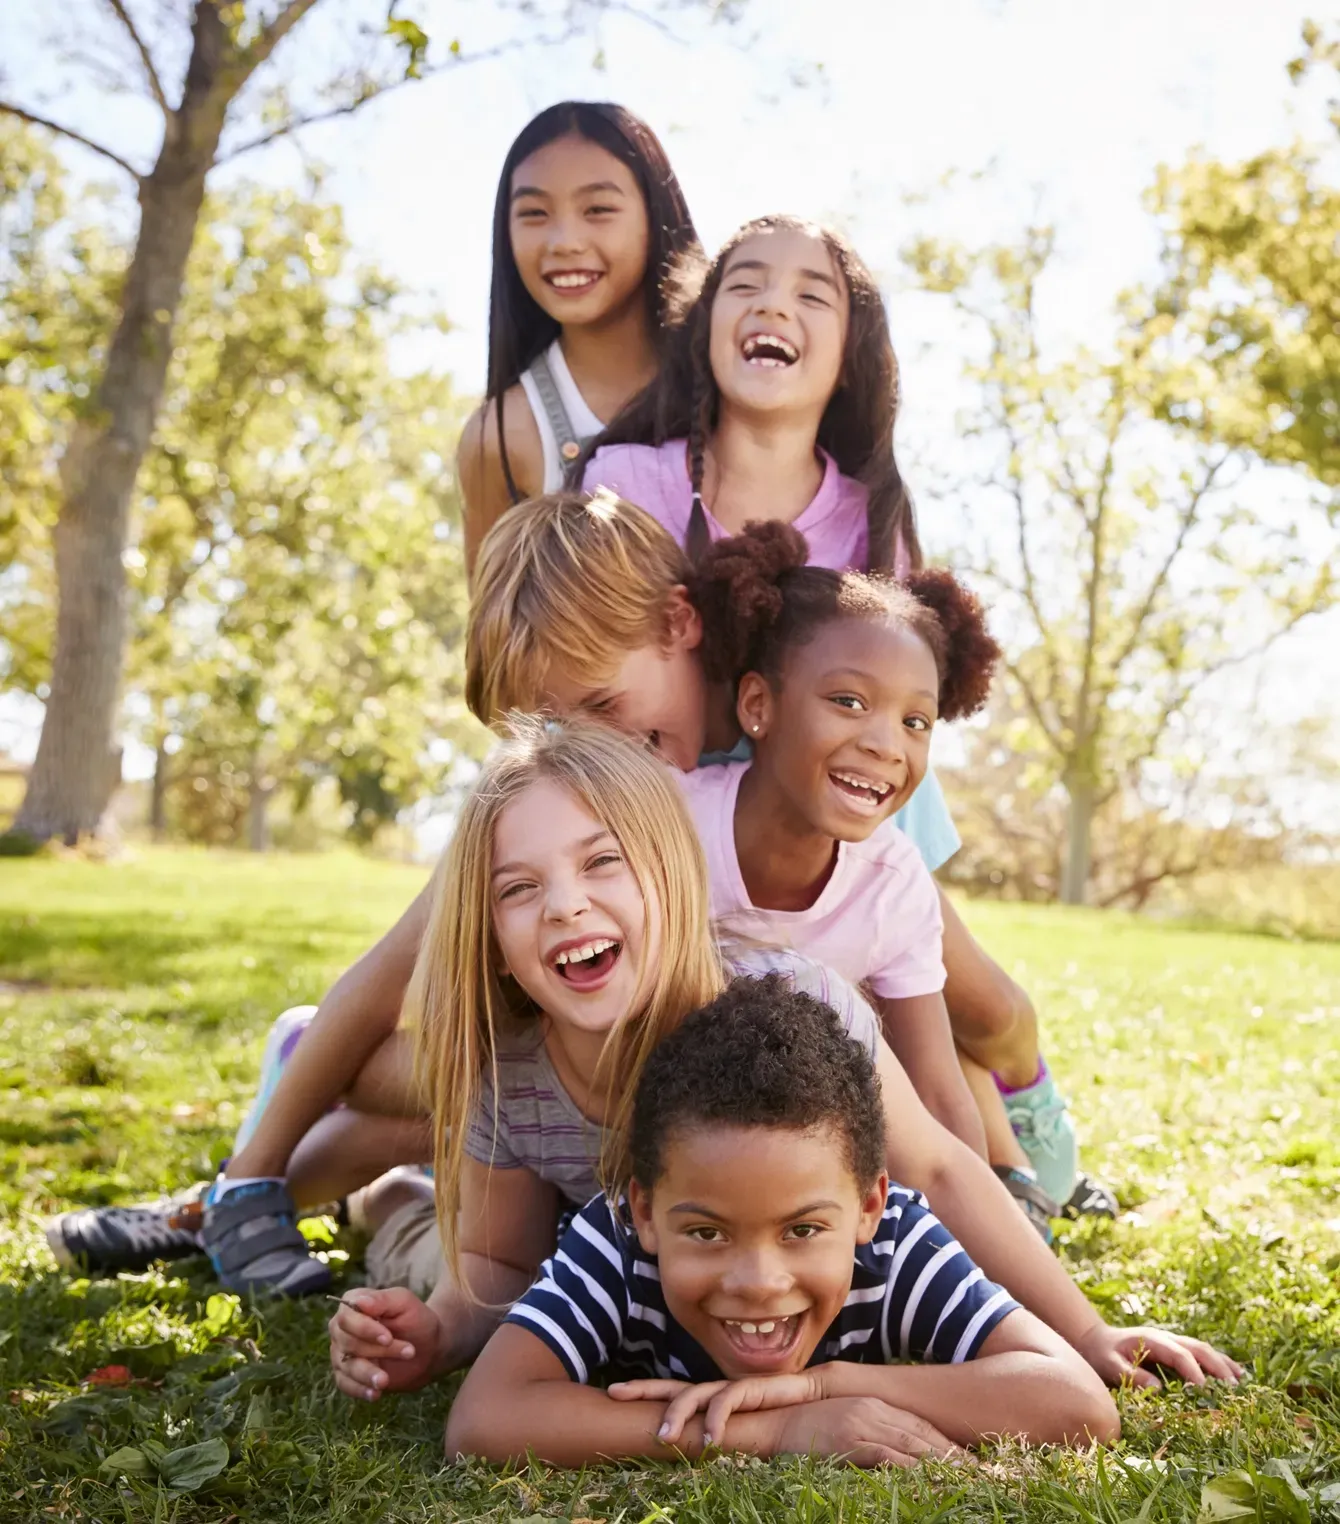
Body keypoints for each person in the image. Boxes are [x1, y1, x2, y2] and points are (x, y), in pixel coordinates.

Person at [468, 490, 1079, 1217]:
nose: (589, 742)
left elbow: (931, 1065)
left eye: (600, 707)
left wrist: (976, 1223)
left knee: (987, 1016)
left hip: (857, 1016)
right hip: (724, 1089)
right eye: (558, 726)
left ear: (680, 626)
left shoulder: (876, 830)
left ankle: (1026, 1155)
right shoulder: (653, 811)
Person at [325, 716, 902, 1396]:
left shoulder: (798, 1011)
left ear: (672, 875)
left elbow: (941, 1172)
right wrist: (437, 1334)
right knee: (427, 1244)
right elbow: (498, 1263)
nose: (565, 906)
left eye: (602, 861)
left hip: (667, 1259)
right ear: (496, 945)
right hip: (566, 1252)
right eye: (518, 888)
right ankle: (384, 1197)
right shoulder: (510, 1071)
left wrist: (1031, 1316)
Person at [445, 976, 1120, 1466]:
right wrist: (776, 1428)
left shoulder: (895, 1247)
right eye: (707, 1233)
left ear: (868, 1206)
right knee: (420, 1225)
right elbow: (484, 1418)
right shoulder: (616, 1245)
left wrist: (830, 1384)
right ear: (645, 1211)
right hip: (466, 1222)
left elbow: (1078, 1404)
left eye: (801, 1230)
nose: (759, 1282)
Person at [676, 521, 1001, 1162]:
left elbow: (939, 1095)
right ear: (758, 705)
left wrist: (969, 1216)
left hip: (808, 1155)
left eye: (915, 721)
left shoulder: (892, 882)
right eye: (849, 701)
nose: (887, 745)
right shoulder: (672, 829)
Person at [456, 101, 700, 572]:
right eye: (534, 213)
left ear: (655, 215)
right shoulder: (502, 435)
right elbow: (493, 617)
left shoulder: (733, 375)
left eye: (598, 209)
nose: (564, 241)